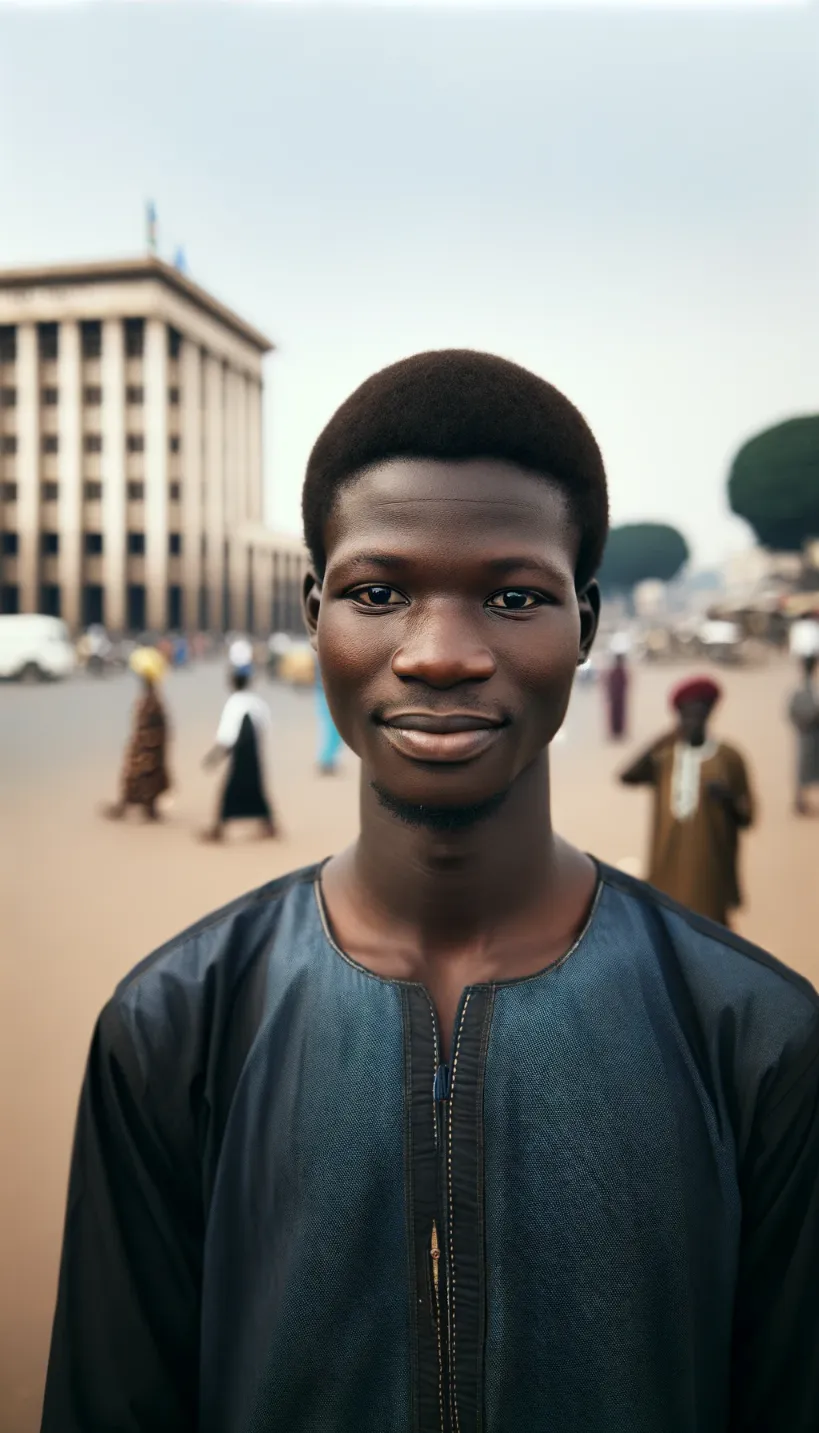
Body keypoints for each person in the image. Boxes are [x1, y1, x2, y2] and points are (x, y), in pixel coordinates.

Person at [43, 352, 819, 1433]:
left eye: (514, 595)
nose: (442, 654)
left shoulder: (761, 1043)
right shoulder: (170, 1028)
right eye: (379, 592)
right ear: (315, 611)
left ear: (585, 621)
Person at [620, 675, 755, 926]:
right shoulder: (666, 757)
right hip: (665, 868)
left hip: (710, 872)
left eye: (698, 713)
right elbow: (626, 776)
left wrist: (726, 799)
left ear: (709, 714)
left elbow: (748, 817)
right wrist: (667, 736)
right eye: (686, 714)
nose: (692, 720)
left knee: (712, 936)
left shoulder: (729, 757)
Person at [201, 659, 277, 842]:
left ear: (232, 682)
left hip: (240, 755)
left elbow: (227, 736)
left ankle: (218, 829)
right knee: (257, 788)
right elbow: (265, 726)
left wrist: (214, 757)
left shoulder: (234, 703)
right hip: (254, 753)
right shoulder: (256, 702)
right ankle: (269, 826)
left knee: (230, 790)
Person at [104, 646, 170, 821]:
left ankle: (127, 807)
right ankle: (142, 809)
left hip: (146, 747)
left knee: (137, 776)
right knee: (146, 778)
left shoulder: (150, 700)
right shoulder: (153, 698)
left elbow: (150, 725)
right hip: (151, 746)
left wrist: (141, 742)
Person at [789, 654, 819, 815]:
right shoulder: (806, 690)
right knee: (803, 768)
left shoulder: (806, 689)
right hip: (807, 733)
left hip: (809, 733)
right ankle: (800, 803)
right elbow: (793, 712)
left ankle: (801, 802)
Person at [316, 667, 343, 774]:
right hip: (331, 688)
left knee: (329, 725)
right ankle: (327, 760)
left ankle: (327, 759)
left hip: (325, 686)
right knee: (333, 726)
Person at [603, 649, 629, 739]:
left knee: (619, 714)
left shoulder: (619, 672)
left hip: (619, 698)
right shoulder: (616, 672)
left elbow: (625, 684)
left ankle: (619, 732)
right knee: (616, 715)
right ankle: (616, 732)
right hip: (616, 697)